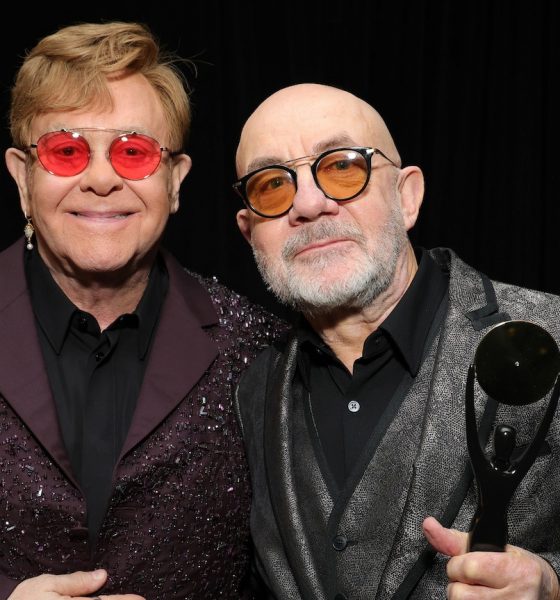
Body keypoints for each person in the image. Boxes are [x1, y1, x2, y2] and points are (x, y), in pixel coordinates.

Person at [232, 83, 560, 599]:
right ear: (251, 232)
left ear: (406, 196)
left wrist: (551, 583)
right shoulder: (251, 389)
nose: (310, 205)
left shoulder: (552, 334)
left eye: (342, 167)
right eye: (273, 185)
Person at [0, 21, 286, 600]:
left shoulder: (261, 349)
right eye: (66, 151)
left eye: (133, 152)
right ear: (22, 177)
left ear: (175, 182)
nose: (101, 178)